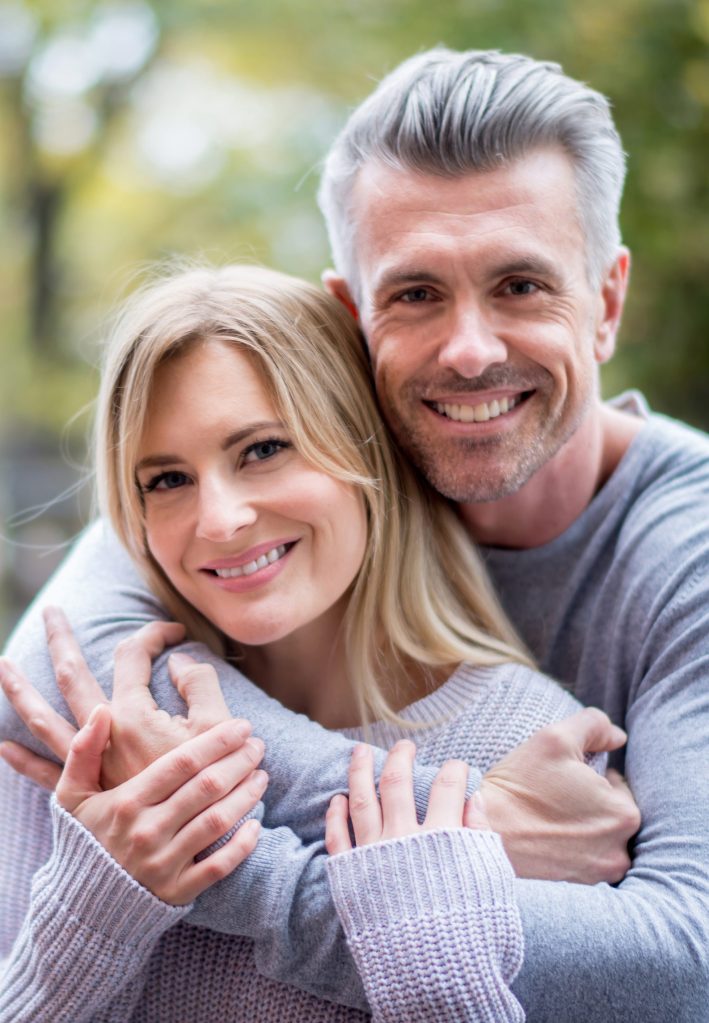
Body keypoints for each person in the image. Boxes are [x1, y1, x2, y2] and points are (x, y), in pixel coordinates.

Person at [2, 45, 707, 1020]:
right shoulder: (250, 496)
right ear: (351, 320)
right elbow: (50, 685)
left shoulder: (688, 557)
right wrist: (471, 823)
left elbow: (682, 969)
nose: (468, 349)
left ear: (607, 302)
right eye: (415, 293)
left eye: (520, 286)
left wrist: (268, 869)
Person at [0, 263, 617, 1022]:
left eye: (261, 449)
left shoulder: (542, 762)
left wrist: (422, 959)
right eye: (166, 479)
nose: (219, 519)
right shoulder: (106, 739)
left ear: (364, 449)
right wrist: (97, 904)